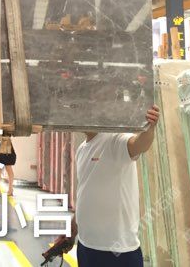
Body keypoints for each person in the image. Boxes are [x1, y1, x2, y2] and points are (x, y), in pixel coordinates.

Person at [53, 104, 160, 267]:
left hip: (119, 251)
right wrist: (72, 231)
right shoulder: (81, 149)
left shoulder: (114, 139)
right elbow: (85, 193)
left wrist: (149, 128)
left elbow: (139, 144)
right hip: (86, 246)